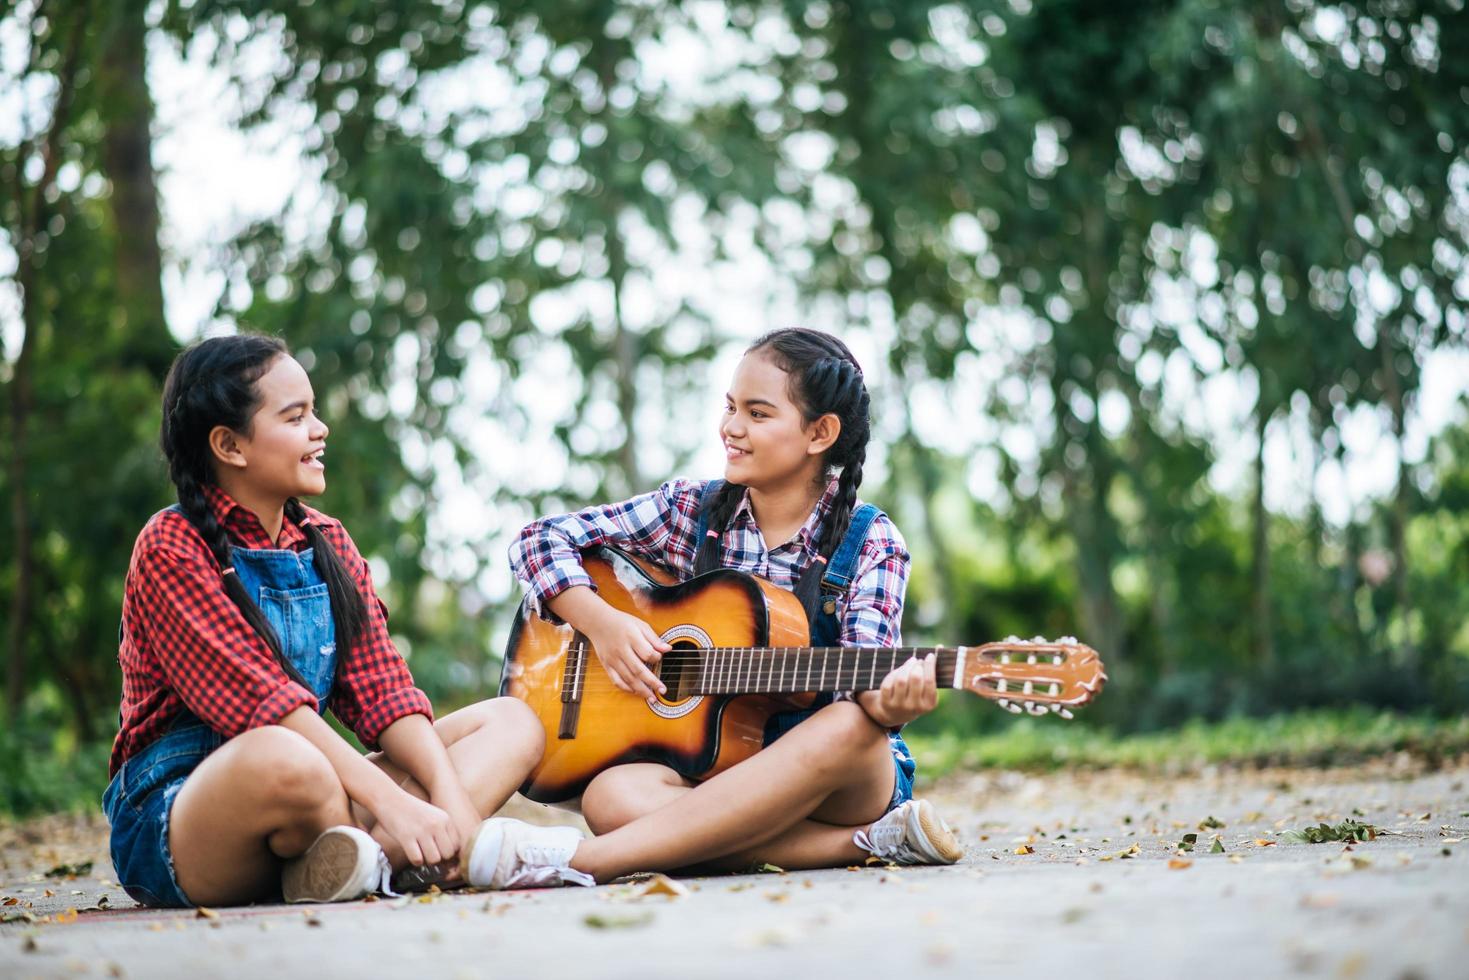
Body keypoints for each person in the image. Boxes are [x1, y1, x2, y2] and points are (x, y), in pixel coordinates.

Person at [462, 328, 962, 890]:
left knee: (852, 723)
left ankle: (582, 861)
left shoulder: (871, 541)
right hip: (715, 770)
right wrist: (603, 624)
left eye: (758, 413)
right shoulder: (690, 511)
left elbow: (864, 679)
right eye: (729, 407)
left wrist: (892, 702)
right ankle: (869, 844)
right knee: (610, 795)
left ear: (820, 433)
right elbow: (538, 540)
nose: (731, 427)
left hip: (833, 782)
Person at [104, 334, 544, 907]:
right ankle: (387, 854)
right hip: (184, 812)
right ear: (229, 445)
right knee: (288, 757)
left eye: (314, 411)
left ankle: (358, 864)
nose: (321, 429)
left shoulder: (327, 540)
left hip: (319, 795)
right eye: (296, 417)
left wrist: (450, 798)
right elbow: (270, 709)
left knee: (513, 721)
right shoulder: (171, 546)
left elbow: (383, 691)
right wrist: (394, 802)